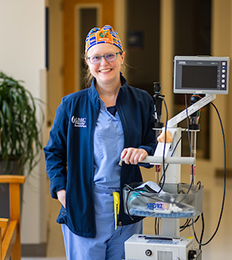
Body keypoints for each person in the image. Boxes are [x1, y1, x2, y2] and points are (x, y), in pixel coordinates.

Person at [44, 25, 156, 260]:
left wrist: (143, 151)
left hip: (128, 205)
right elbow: (53, 152)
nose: (103, 63)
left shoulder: (142, 101)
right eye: (95, 57)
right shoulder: (72, 105)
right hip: (84, 204)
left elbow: (153, 144)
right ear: (87, 62)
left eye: (110, 55)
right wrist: (62, 190)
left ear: (122, 57)